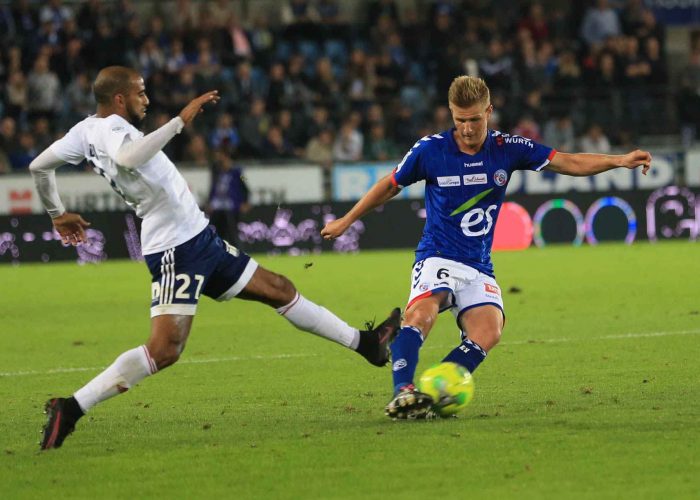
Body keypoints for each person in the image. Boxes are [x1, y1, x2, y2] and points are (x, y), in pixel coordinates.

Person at [30, 66, 401, 449]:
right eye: (140, 93)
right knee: (165, 349)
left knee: (279, 289)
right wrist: (179, 121)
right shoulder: (112, 130)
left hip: (199, 237)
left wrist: (57, 213)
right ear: (120, 98)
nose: (147, 99)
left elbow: (38, 166)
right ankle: (71, 407)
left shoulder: (84, 131)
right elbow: (127, 158)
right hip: (177, 248)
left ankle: (366, 344)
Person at [321, 75, 651, 419]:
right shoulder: (430, 150)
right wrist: (347, 220)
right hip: (437, 255)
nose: (467, 128)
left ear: (489, 111)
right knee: (422, 315)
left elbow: (565, 161)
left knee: (489, 331)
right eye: (460, 119)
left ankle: (437, 389)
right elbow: (389, 185)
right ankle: (403, 392)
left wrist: (619, 160)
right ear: (451, 113)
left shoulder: (507, 148)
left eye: (475, 119)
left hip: (478, 264)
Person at [207, 146, 250, 247]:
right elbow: (213, 187)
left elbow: (246, 184)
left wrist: (246, 201)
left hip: (231, 206)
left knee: (232, 233)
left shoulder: (238, 171)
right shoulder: (216, 171)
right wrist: (210, 201)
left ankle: (238, 254)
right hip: (217, 206)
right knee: (217, 233)